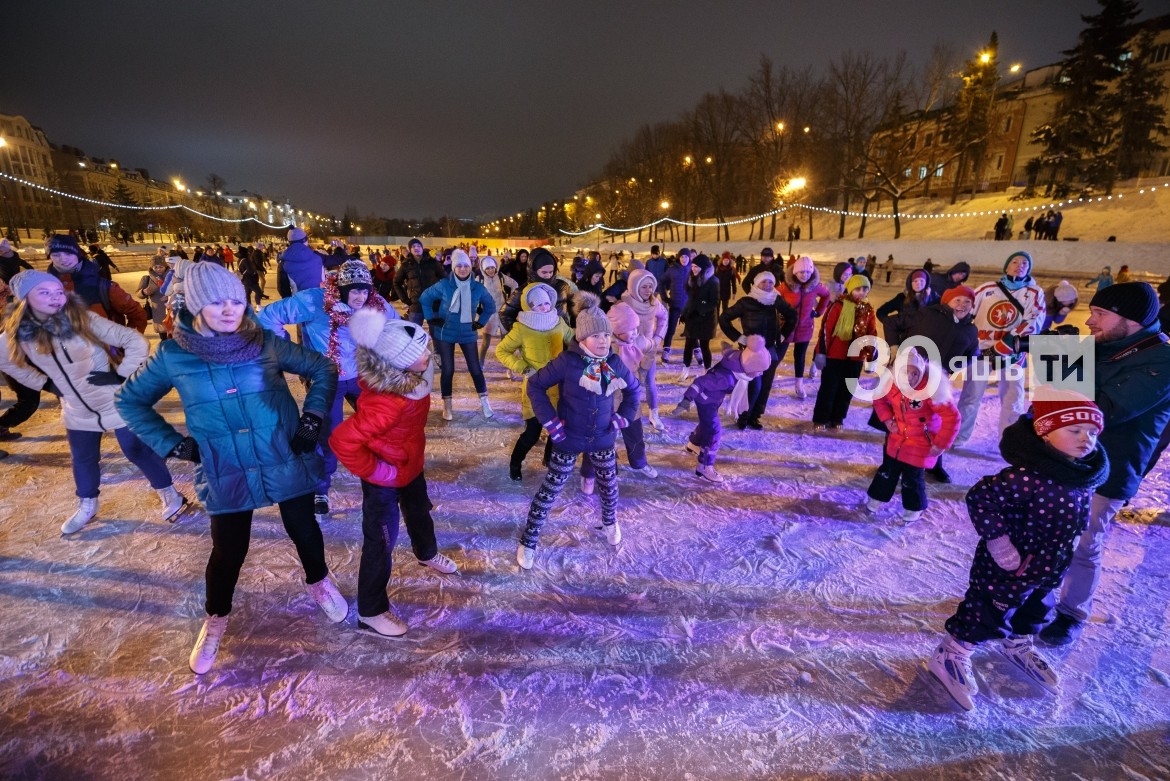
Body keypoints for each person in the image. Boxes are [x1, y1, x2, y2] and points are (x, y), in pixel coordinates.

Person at [115, 262, 348, 675]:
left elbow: (323, 367)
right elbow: (130, 401)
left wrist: (312, 417)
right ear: (198, 304)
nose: (230, 309)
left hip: (282, 452)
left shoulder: (265, 343)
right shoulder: (173, 355)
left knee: (305, 529)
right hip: (226, 465)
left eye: (237, 301)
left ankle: (319, 581)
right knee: (228, 550)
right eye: (218, 301)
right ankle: (216, 618)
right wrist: (173, 444)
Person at [927, 393, 1108, 711]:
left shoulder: (1081, 474)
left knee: (1037, 607)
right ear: (1045, 432)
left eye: (1092, 432)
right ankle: (952, 652)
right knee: (988, 609)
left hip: (1051, 562)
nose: (1086, 439)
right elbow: (981, 498)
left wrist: (1076, 536)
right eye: (1074, 430)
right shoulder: (1026, 477)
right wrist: (999, 542)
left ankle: (1017, 643)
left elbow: (1077, 512)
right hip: (1008, 563)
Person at [0, 270, 188, 533]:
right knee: (84, 459)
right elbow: (6, 360)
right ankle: (88, 504)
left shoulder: (82, 319)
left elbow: (133, 340)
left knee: (136, 449)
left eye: (57, 291)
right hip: (77, 409)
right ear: (24, 299)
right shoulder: (18, 333)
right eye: (44, 292)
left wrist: (120, 374)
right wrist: (44, 383)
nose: (55, 297)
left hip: (115, 400)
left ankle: (170, 494)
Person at [1040, 283, 1170, 646]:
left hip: (1109, 469)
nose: (1089, 321)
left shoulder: (1163, 359)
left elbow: (1102, 410)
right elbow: (1051, 398)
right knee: (1049, 535)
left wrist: (1062, 359)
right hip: (1064, 458)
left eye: (1100, 314)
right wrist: (1057, 355)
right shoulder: (1104, 345)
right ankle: (1036, 599)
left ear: (1130, 320)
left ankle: (1071, 612)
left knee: (1084, 541)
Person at [329, 310, 457, 637]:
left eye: (426, 348)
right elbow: (342, 441)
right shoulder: (387, 403)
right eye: (421, 353)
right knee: (380, 540)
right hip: (383, 479)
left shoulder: (415, 376)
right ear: (399, 363)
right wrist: (378, 471)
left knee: (419, 510)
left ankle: (426, 553)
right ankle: (370, 611)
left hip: (409, 463)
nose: (429, 355)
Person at [255, 259, 396, 520]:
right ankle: (320, 490)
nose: (360, 296)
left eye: (364, 290)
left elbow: (397, 327)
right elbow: (267, 316)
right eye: (354, 290)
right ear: (342, 289)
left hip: (361, 376)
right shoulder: (314, 301)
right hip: (326, 378)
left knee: (380, 424)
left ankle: (384, 474)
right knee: (327, 436)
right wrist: (289, 350)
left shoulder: (376, 304)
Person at [515, 292, 641, 570]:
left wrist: (622, 419)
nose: (603, 341)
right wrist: (551, 422)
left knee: (609, 486)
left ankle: (610, 522)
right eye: (596, 336)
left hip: (603, 437)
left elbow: (634, 391)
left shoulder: (614, 362)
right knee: (551, 488)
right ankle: (530, 538)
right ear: (582, 338)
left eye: (606, 336)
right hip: (568, 438)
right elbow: (535, 385)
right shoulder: (568, 362)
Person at [954, 251, 1046, 446]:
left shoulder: (1034, 292)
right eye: (1014, 261)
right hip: (981, 351)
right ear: (1006, 266)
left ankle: (1009, 441)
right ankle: (959, 435)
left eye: (1024, 263)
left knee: (1013, 398)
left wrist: (1006, 344)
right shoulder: (987, 289)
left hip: (1013, 354)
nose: (1019, 265)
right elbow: (966, 311)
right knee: (971, 396)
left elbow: (1033, 322)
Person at [864, 349, 960, 522]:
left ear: (921, 372)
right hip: (898, 437)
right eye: (904, 372)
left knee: (912, 476)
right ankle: (877, 497)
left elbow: (952, 417)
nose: (909, 378)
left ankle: (914, 507)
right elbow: (879, 399)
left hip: (921, 442)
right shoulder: (891, 384)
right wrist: (887, 420)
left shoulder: (931, 390)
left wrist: (940, 444)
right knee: (887, 470)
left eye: (914, 373)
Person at [496, 283, 575, 480]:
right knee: (532, 432)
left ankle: (549, 458)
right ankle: (515, 463)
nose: (545, 308)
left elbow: (573, 339)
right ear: (530, 306)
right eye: (539, 305)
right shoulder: (522, 328)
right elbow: (501, 351)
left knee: (558, 428)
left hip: (559, 386)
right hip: (536, 388)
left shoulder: (558, 322)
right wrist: (523, 367)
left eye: (547, 303)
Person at [901, 285, 979, 484]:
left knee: (935, 421)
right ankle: (894, 461)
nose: (962, 305)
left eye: (967, 302)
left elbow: (972, 354)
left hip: (939, 381)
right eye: (957, 300)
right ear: (947, 302)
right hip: (913, 375)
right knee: (904, 416)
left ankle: (935, 465)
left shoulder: (970, 329)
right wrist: (897, 350)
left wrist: (953, 367)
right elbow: (897, 325)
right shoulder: (930, 315)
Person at [672, 335, 770, 483]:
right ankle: (704, 466)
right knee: (714, 432)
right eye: (758, 370)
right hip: (706, 401)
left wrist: (726, 348)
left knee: (707, 424)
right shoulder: (725, 378)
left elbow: (729, 353)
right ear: (749, 367)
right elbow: (700, 382)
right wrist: (686, 400)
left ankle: (694, 443)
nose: (760, 374)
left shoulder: (738, 359)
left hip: (713, 399)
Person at [586, 301, 659, 482]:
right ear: (616, 331)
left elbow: (651, 348)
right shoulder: (606, 347)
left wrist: (642, 371)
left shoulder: (639, 341)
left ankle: (639, 462)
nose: (635, 333)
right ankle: (609, 466)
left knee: (634, 434)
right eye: (630, 329)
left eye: (636, 328)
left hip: (630, 400)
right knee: (607, 435)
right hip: (608, 401)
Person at [418, 249, 495, 421]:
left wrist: (481, 322)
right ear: (453, 267)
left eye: (466, 265)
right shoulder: (445, 285)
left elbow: (490, 306)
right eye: (459, 265)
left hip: (468, 333)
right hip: (446, 332)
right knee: (448, 370)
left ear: (471, 266)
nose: (462, 269)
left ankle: (485, 402)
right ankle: (447, 405)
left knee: (475, 369)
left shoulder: (477, 287)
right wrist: (431, 318)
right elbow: (425, 298)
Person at [718, 270, 796, 430]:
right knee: (754, 384)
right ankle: (743, 416)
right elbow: (724, 318)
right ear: (756, 283)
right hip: (752, 351)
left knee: (766, 384)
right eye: (764, 282)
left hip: (770, 349)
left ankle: (755, 416)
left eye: (770, 282)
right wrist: (739, 338)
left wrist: (782, 336)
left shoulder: (775, 300)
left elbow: (793, 316)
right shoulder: (747, 301)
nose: (767, 285)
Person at [811, 274, 877, 431]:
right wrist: (821, 352)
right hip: (835, 356)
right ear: (851, 289)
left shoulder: (868, 309)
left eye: (864, 289)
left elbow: (871, 333)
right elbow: (826, 330)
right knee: (829, 387)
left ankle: (838, 417)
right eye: (858, 289)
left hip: (855, 358)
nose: (861, 292)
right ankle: (821, 418)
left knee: (847, 389)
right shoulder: (838, 306)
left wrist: (871, 353)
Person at [46, 234, 147, 333]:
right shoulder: (42, 290)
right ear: (49, 257)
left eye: (68, 253)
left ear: (77, 253)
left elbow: (137, 313)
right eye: (56, 255)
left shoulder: (104, 287)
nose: (63, 258)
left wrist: (128, 342)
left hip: (104, 348)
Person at [619, 269, 668, 431]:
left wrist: (657, 338)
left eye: (650, 287)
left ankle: (654, 413)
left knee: (649, 382)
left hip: (648, 350)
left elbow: (664, 317)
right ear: (634, 287)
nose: (648, 291)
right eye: (643, 287)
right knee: (626, 384)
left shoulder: (654, 303)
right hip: (628, 351)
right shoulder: (625, 303)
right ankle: (622, 415)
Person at [777, 255, 830, 399]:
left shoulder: (815, 286)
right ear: (795, 272)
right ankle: (766, 379)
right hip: (786, 327)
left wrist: (818, 311)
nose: (804, 275)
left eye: (807, 272)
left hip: (805, 327)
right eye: (801, 272)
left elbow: (826, 295)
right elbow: (772, 296)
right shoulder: (785, 286)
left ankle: (799, 385)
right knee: (778, 355)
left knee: (799, 357)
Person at [678, 254, 720, 381]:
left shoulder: (713, 281)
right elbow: (690, 300)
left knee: (704, 345)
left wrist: (701, 310)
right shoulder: (691, 279)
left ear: (704, 268)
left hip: (706, 319)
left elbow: (714, 302)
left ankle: (707, 370)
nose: (693, 269)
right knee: (688, 344)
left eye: (697, 267)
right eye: (693, 266)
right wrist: (684, 313)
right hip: (692, 316)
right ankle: (685, 369)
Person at [876, 269, 938, 349]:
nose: (918, 284)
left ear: (926, 283)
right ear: (910, 283)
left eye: (921, 281)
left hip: (926, 344)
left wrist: (927, 299)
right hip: (904, 342)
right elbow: (881, 312)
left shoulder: (934, 299)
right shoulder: (902, 297)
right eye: (915, 281)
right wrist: (893, 327)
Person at [476, 255, 519, 367]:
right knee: (486, 342)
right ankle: (480, 363)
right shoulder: (479, 279)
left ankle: (507, 365)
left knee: (505, 342)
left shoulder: (500, 277)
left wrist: (511, 299)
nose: (491, 270)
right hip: (488, 315)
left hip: (502, 312)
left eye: (492, 267)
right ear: (484, 269)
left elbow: (514, 284)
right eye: (488, 268)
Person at [660, 248, 693, 363]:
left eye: (686, 257)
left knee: (692, 329)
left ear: (689, 258)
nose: (684, 259)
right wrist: (664, 297)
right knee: (671, 329)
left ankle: (698, 351)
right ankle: (666, 350)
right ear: (679, 258)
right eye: (682, 257)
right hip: (675, 304)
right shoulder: (672, 270)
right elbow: (661, 282)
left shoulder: (693, 270)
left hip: (689, 306)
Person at [280, 227, 326, 294]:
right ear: (305, 240)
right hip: (318, 300)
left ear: (289, 242)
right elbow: (323, 281)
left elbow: (283, 288)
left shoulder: (283, 262)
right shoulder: (317, 258)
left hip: (297, 301)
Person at [136, 254, 170, 341]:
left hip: (172, 311)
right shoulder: (147, 279)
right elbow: (138, 294)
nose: (158, 269)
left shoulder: (172, 276)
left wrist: (170, 296)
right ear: (152, 267)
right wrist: (144, 292)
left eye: (161, 267)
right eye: (155, 267)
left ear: (165, 266)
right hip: (158, 313)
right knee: (164, 339)